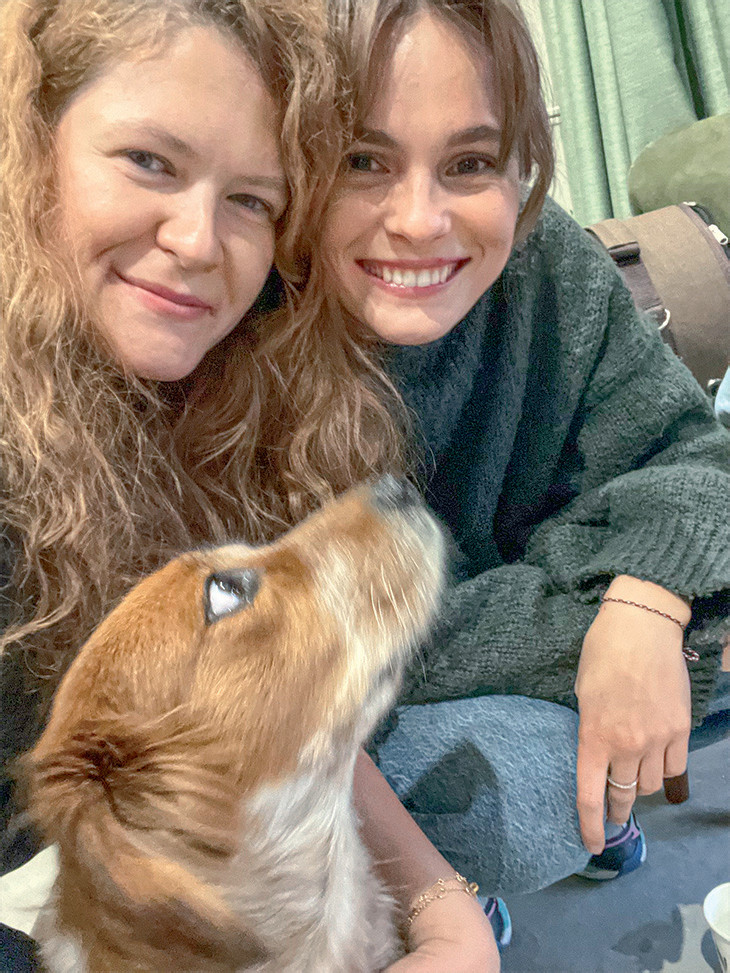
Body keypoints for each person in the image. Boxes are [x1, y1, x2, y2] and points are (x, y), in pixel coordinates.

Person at [2, 2, 503, 970]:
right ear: (30, 151)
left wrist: (443, 907)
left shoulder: (219, 379)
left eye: (251, 200)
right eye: (149, 161)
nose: (198, 239)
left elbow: (261, 712)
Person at [316, 0, 730, 963]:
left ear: (523, 166)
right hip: (346, 721)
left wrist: (647, 600)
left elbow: (689, 451)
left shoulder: (551, 267)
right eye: (363, 160)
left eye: (469, 163)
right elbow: (333, 661)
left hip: (479, 644)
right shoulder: (255, 336)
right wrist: (609, 622)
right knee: (527, 795)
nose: (418, 221)